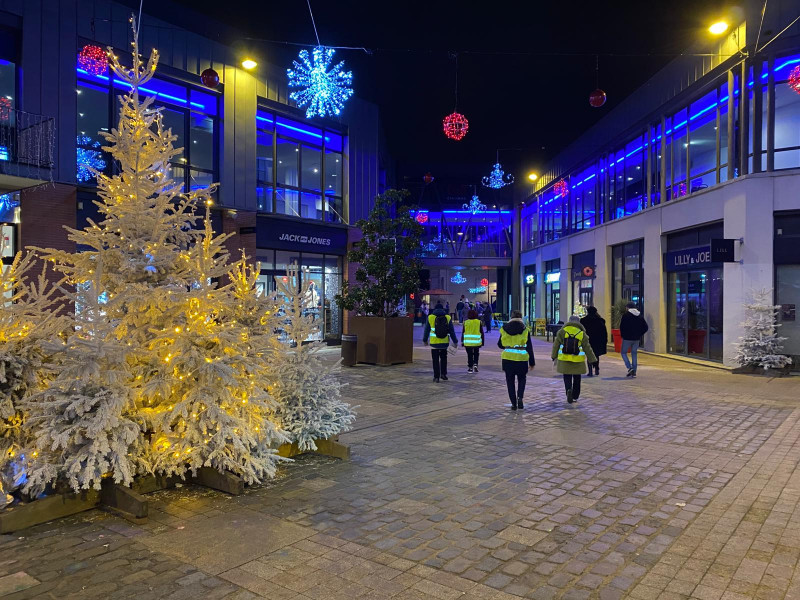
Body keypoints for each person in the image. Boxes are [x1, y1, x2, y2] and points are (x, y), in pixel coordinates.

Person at [551, 315, 597, 404]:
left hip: (564, 359)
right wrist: (592, 359)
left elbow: (556, 345)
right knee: (577, 378)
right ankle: (575, 396)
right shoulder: (582, 333)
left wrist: (553, 356)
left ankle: (568, 390)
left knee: (567, 376)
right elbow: (587, 348)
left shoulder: (562, 332)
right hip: (578, 360)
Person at [498, 310, 535, 410]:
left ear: (511, 317)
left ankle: (513, 403)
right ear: (521, 318)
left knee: (510, 381)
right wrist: (532, 362)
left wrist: (509, 344)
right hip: (521, 359)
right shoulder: (525, 330)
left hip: (507, 359)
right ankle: (520, 398)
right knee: (522, 379)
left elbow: (500, 344)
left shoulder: (504, 329)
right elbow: (529, 347)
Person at [423, 302, 458, 383]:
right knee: (443, 358)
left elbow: (426, 330)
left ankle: (436, 377)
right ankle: (443, 374)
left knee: (435, 360)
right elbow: (452, 331)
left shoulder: (430, 317)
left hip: (434, 343)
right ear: (443, 309)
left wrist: (425, 340)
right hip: (444, 342)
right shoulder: (448, 317)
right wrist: (455, 341)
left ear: (435, 309)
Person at [619, 302, 649, 378]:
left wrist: (623, 335)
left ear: (628, 308)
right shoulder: (640, 316)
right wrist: (639, 334)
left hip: (627, 338)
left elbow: (622, 327)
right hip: (636, 339)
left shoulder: (625, 316)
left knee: (623, 352)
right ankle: (634, 372)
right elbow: (645, 327)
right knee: (634, 354)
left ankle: (629, 368)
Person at [580, 306, 608, 377]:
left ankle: (590, 371)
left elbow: (582, 331)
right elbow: (604, 332)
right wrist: (604, 340)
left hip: (588, 340)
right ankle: (596, 368)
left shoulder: (584, 320)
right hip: (598, 341)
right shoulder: (600, 320)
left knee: (589, 355)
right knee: (596, 355)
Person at [461, 309, 484, 373]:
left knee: (469, 354)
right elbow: (482, 332)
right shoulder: (479, 322)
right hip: (476, 342)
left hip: (468, 342)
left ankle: (470, 367)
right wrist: (483, 342)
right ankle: (475, 364)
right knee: (476, 353)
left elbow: (463, 332)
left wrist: (462, 341)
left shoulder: (465, 322)